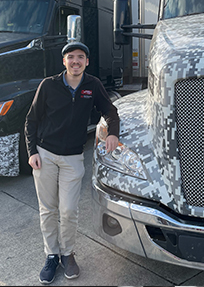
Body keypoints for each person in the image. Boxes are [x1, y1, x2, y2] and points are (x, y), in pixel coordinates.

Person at [24, 41, 119, 284]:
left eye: (80, 57)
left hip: (73, 158)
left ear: (86, 62)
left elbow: (110, 111)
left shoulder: (92, 85)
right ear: (63, 61)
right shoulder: (48, 85)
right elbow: (31, 121)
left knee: (68, 210)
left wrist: (112, 133)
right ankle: (52, 255)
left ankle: (67, 254)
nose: (75, 61)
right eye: (70, 57)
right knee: (48, 209)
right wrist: (32, 151)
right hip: (45, 155)